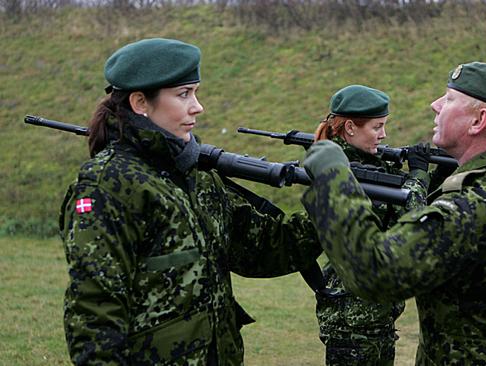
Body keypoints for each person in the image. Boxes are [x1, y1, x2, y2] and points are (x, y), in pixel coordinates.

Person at [59, 38, 321, 365]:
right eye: (184, 94)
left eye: (195, 92)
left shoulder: (197, 177)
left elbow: (268, 249)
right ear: (140, 102)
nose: (197, 106)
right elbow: (95, 314)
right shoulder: (107, 186)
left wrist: (336, 207)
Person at [300, 61, 486, 365]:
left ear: (478, 121)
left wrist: (331, 177)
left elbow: (374, 272)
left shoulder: (471, 205)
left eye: (449, 99)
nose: (435, 105)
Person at [312, 84, 430, 365]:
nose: (384, 134)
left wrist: (432, 177)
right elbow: (411, 219)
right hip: (353, 321)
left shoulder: (365, 162)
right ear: (351, 127)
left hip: (372, 316)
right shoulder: (341, 171)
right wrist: (419, 175)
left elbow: (408, 202)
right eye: (377, 126)